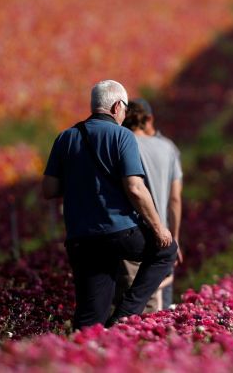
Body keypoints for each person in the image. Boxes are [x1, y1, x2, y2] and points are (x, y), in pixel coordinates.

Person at [42, 80, 178, 329]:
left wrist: (80, 183)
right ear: (117, 106)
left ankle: (80, 353)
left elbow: (49, 190)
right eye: (124, 109)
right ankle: (124, 316)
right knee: (165, 251)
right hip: (119, 232)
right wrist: (159, 228)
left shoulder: (65, 138)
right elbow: (135, 188)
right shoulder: (122, 135)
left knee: (90, 315)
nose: (124, 114)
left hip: (81, 237)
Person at [118, 98, 183, 311]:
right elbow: (175, 199)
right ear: (149, 119)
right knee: (156, 305)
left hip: (130, 232)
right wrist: (175, 239)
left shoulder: (122, 143)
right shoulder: (168, 148)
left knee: (131, 303)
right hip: (161, 236)